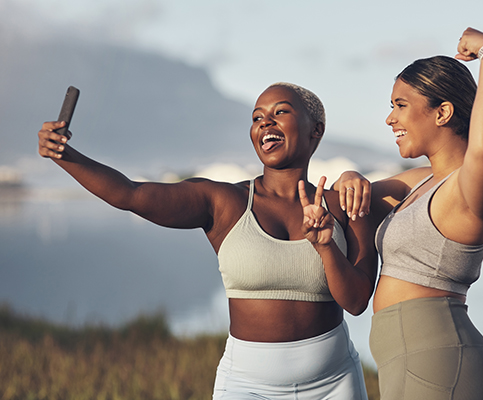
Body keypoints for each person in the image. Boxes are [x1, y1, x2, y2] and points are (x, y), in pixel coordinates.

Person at [37, 82, 378, 399]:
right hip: (247, 387)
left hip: (334, 384)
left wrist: (325, 247)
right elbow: (131, 194)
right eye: (257, 117)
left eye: (280, 112)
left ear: (315, 129)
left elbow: (357, 302)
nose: (265, 123)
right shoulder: (223, 202)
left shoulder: (346, 205)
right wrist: (65, 155)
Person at [336, 27, 483, 399]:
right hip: (409, 364)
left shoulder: (468, 189)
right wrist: (350, 176)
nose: (389, 119)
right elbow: (347, 202)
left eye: (400, 105)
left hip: (443, 366)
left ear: (442, 112)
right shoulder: (420, 182)